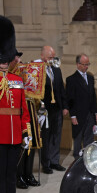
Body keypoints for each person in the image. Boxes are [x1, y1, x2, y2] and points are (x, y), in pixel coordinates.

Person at [0, 16, 29, 193]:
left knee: (12, 172)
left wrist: (26, 131)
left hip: (15, 135)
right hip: (0, 134)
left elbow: (23, 110)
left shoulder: (17, 80)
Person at [9, 51, 41, 189]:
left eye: (19, 57)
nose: (19, 59)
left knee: (32, 143)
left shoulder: (22, 68)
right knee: (22, 144)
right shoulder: (10, 72)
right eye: (16, 57)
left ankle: (28, 174)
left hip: (30, 107)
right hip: (19, 109)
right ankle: (19, 176)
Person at [35, 46, 68, 174]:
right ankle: (46, 163)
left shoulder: (56, 70)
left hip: (57, 108)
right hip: (45, 109)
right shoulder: (38, 70)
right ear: (42, 56)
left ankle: (55, 161)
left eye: (53, 57)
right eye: (50, 57)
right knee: (46, 136)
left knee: (56, 136)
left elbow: (61, 90)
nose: (52, 59)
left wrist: (65, 106)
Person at [66, 54, 97, 159]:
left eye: (87, 64)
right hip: (78, 114)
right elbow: (70, 99)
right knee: (78, 137)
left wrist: (95, 112)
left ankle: (88, 157)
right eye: (84, 64)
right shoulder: (71, 79)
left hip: (89, 113)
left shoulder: (90, 77)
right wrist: (73, 116)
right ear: (78, 64)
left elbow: (93, 97)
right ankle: (77, 158)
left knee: (89, 137)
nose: (86, 67)